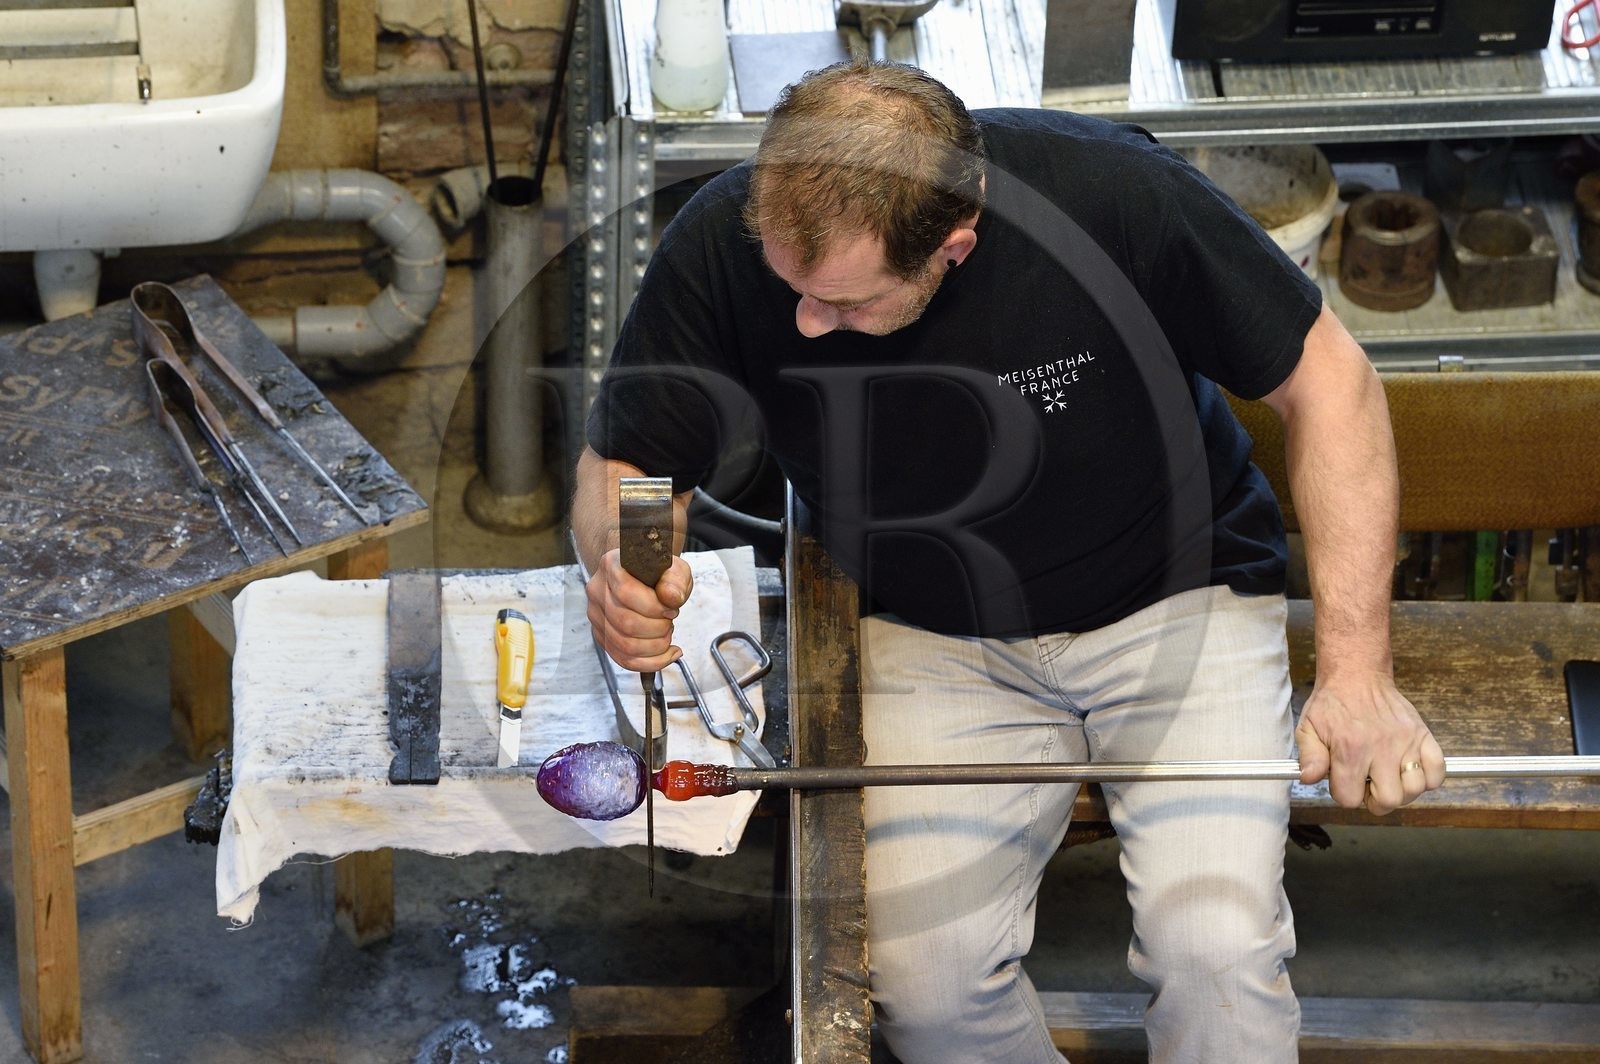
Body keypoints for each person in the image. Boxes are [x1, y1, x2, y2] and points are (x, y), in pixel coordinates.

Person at [571, 60, 1445, 1063]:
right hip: (926, 624)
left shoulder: (1113, 196)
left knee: (1216, 955)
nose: (808, 321)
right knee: (920, 980)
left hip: (1172, 593)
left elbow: (1331, 384)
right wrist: (624, 560)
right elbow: (635, 455)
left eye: (846, 303)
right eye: (791, 289)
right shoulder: (727, 241)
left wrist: (1355, 672)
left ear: (954, 244)